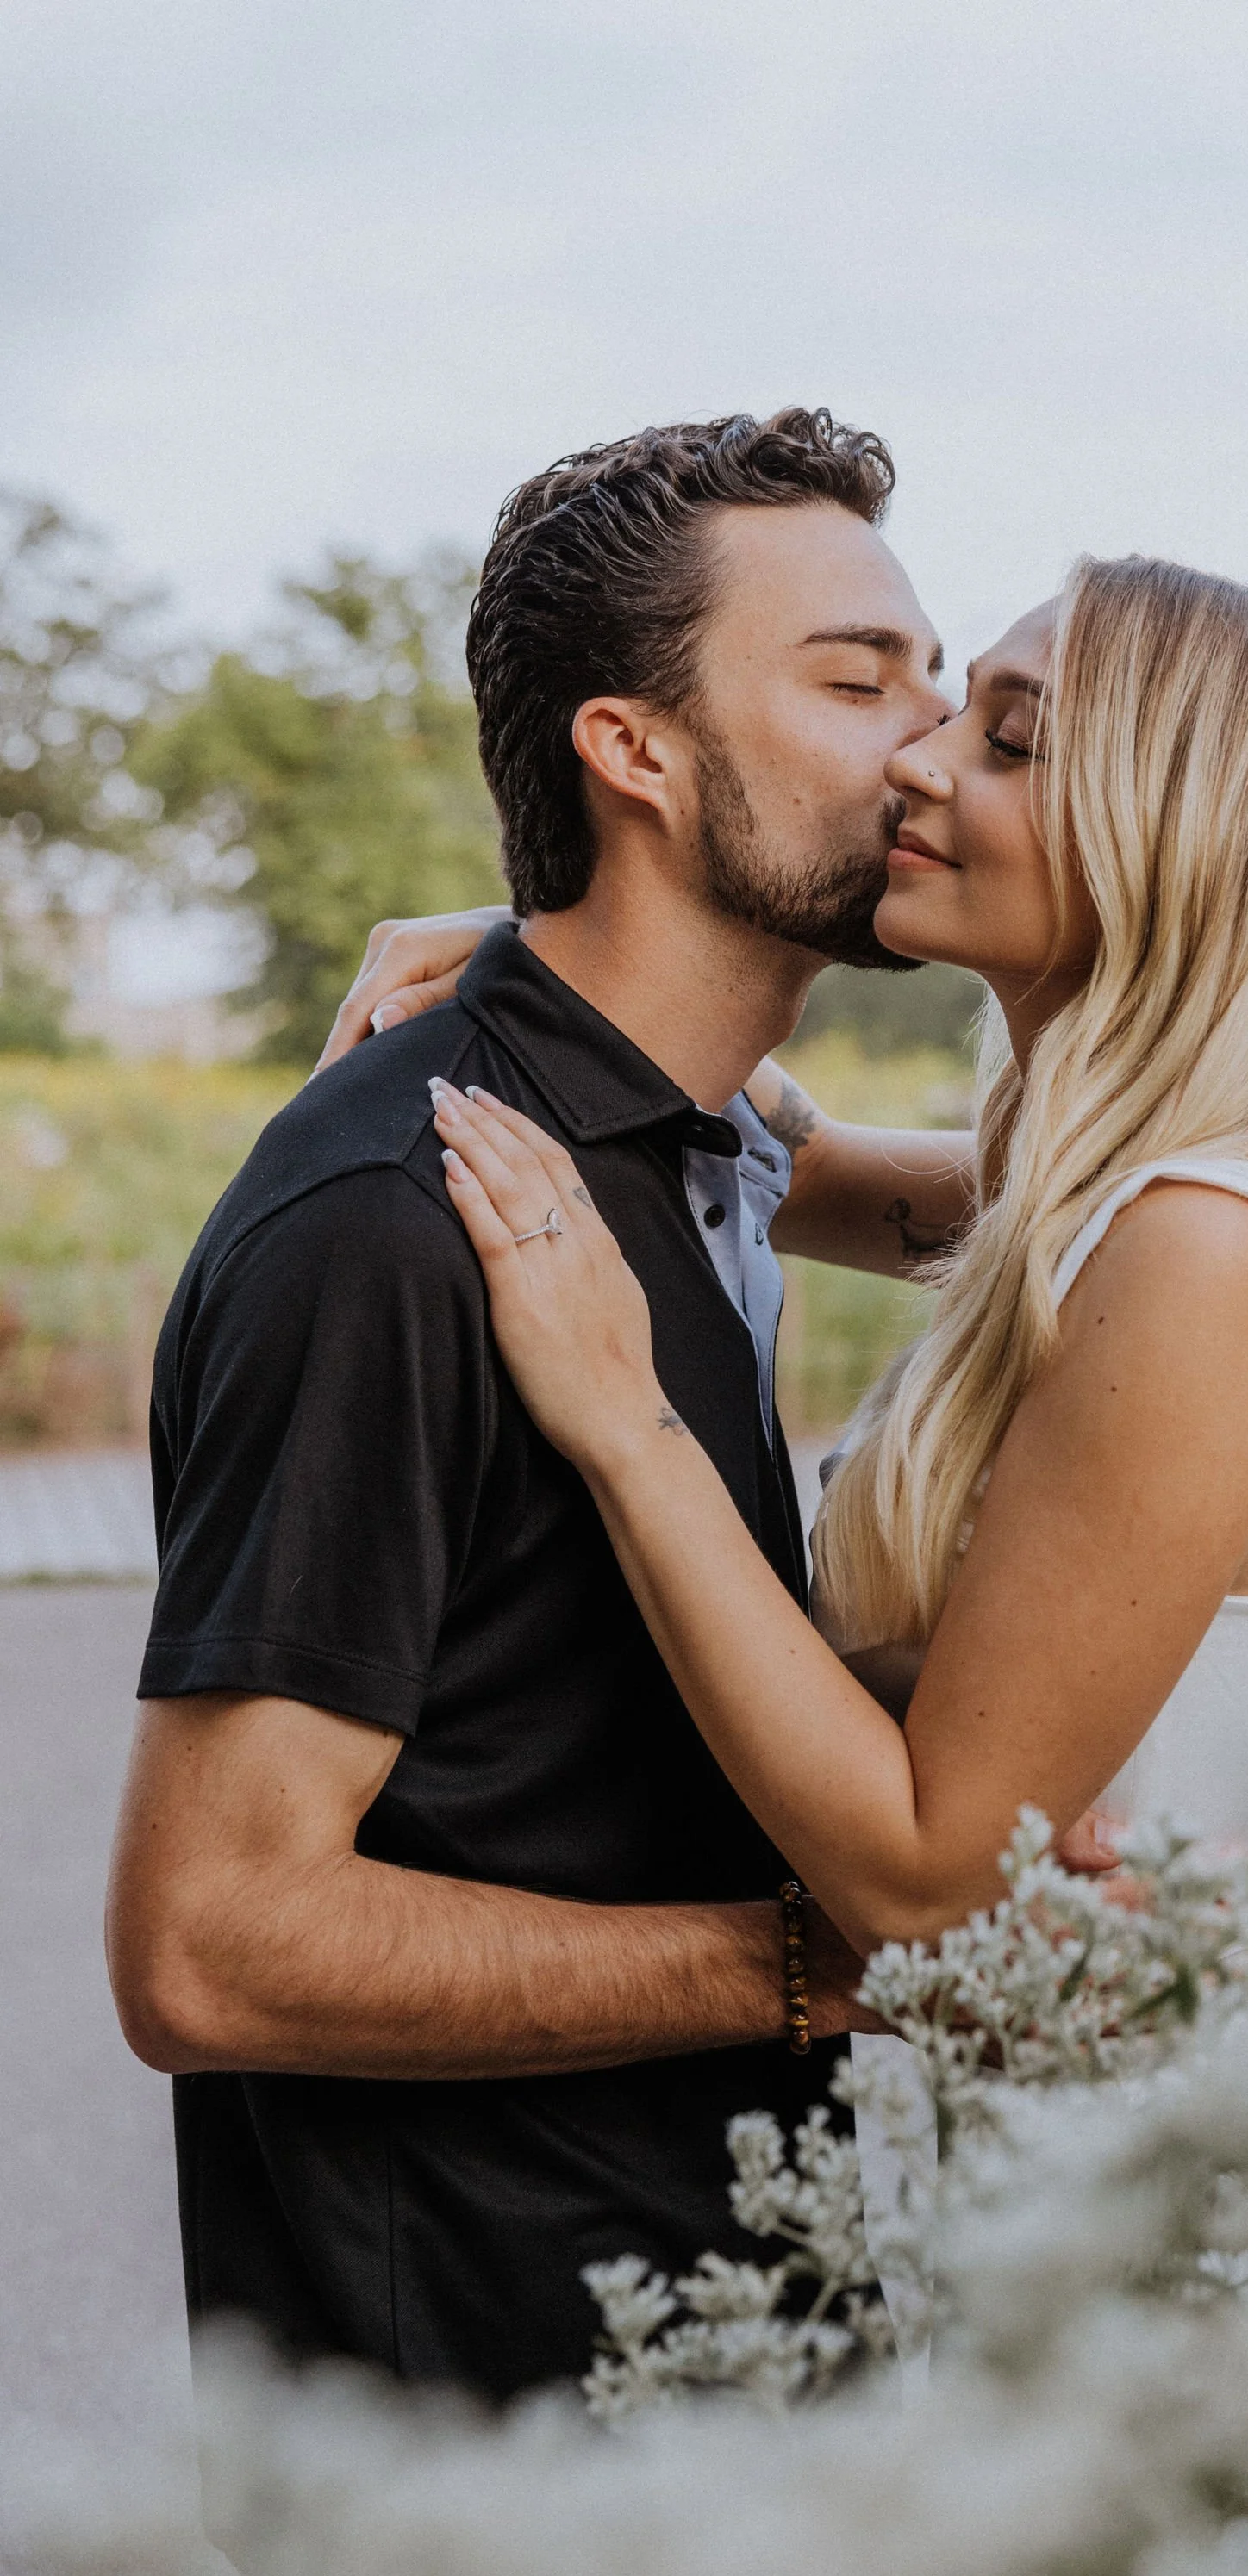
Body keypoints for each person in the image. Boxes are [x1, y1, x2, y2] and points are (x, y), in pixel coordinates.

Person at [107, 408, 1076, 2406]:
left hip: (720, 2358)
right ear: (630, 750)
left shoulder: (687, 1143)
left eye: (936, 680)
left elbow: (1134, 1222)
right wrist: (805, 1965)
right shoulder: (403, 1219)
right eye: (852, 678)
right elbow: (206, 1941)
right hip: (488, 2439)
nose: (923, 742)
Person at [412, 555, 1248, 2036]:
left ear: (1186, 837)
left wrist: (626, 1424)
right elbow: (803, 1163)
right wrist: (542, 964)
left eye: (1009, 742)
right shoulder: (1104, 1209)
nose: (919, 757)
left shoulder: (1202, 1256)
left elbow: (925, 1886)